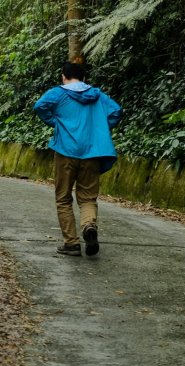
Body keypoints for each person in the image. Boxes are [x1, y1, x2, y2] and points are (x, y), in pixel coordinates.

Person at [34, 61, 122, 257]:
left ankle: (72, 243)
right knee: (88, 198)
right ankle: (89, 226)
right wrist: (99, 127)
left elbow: (39, 106)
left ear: (63, 76)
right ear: (84, 78)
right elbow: (116, 111)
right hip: (92, 153)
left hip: (65, 152)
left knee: (63, 198)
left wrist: (56, 123)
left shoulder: (58, 93)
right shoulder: (97, 94)